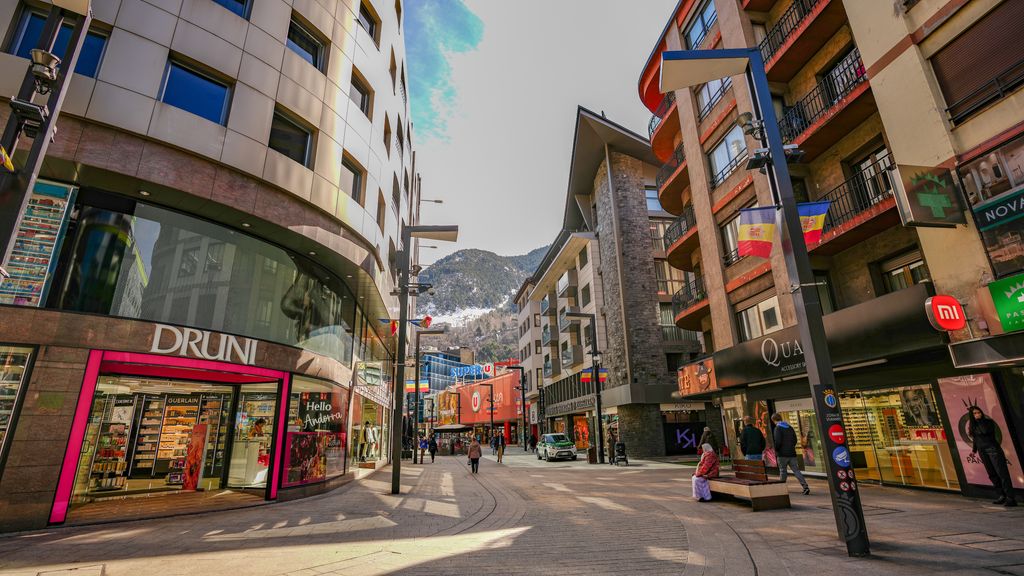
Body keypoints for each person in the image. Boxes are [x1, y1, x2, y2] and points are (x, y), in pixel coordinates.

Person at [969, 405, 1017, 506]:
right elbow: (975, 439)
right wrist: (974, 450)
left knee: (1002, 473)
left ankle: (1010, 498)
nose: (977, 415)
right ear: (971, 415)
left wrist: (979, 421)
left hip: (993, 449)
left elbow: (984, 431)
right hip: (982, 451)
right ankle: (1001, 495)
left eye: (978, 412)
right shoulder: (972, 425)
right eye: (974, 413)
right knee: (992, 474)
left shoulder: (988, 422)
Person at [772, 413, 810, 495]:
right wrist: (790, 447)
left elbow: (778, 442)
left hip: (782, 454)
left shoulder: (777, 428)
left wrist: (777, 450)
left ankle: (782, 488)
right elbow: (795, 440)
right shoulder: (790, 427)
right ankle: (805, 487)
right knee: (796, 470)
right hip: (792, 453)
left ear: (773, 420)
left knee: (783, 471)